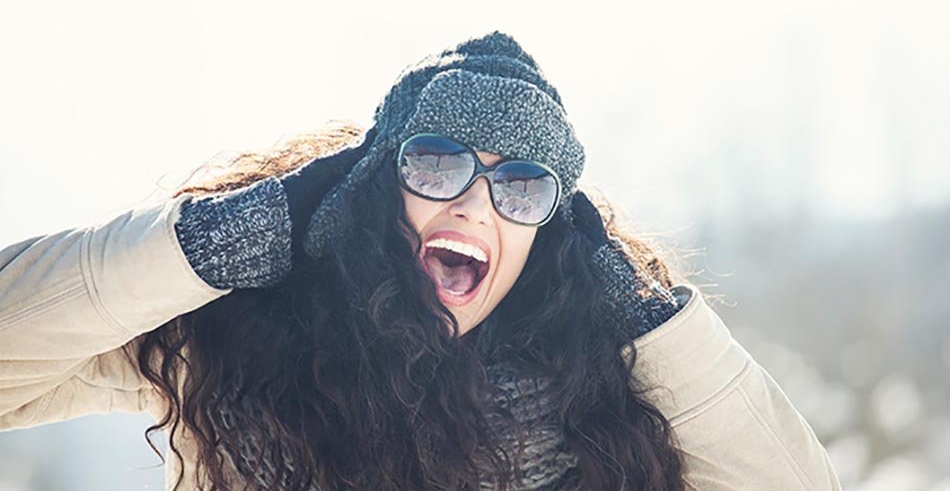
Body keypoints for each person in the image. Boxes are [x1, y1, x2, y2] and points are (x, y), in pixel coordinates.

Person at [0, 31, 841, 490]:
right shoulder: (240, 342)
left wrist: (655, 329)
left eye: (521, 186)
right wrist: (209, 247)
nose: (476, 204)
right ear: (375, 188)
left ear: (547, 231)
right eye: (440, 165)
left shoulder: (603, 388)